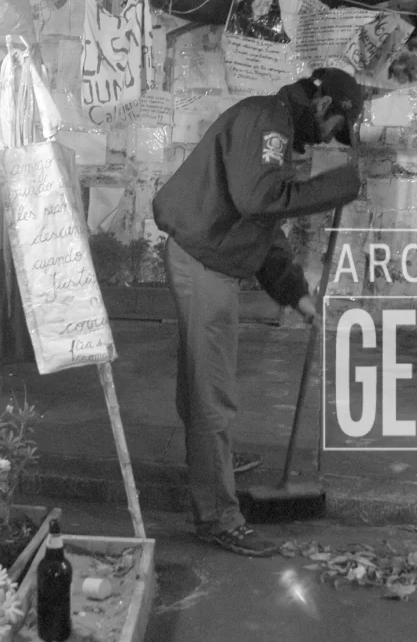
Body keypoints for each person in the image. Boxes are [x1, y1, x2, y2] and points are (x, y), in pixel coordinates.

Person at [151, 68, 364, 557]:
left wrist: (298, 297)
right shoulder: (268, 121)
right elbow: (259, 199)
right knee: (211, 394)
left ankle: (213, 461)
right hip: (205, 263)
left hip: (211, 258)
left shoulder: (277, 126)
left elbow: (261, 227)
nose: (329, 138)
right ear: (324, 105)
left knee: (205, 387)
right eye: (335, 127)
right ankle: (219, 518)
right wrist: (337, 187)